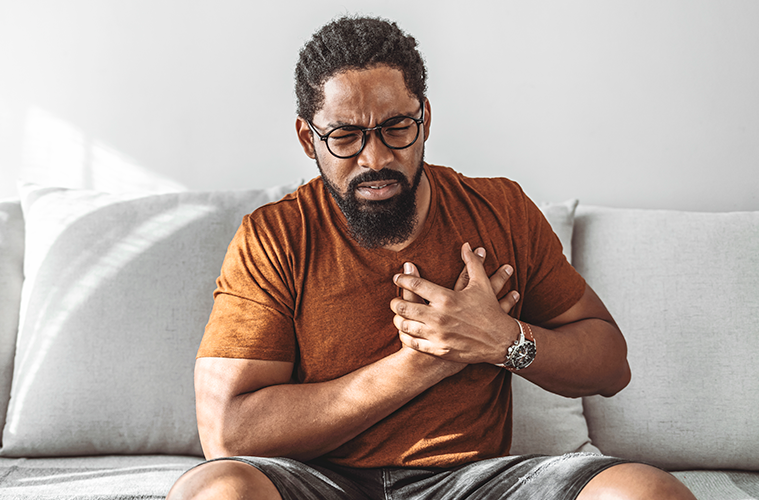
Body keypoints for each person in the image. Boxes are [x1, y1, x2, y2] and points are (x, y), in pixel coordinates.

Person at [168, 16, 696, 500]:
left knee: (646, 492)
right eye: (346, 137)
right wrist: (421, 364)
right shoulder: (275, 236)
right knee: (218, 490)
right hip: (319, 480)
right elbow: (228, 433)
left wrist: (504, 341)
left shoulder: (500, 209)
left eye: (396, 128)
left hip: (475, 482)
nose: (375, 159)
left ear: (425, 118)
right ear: (309, 138)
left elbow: (611, 364)